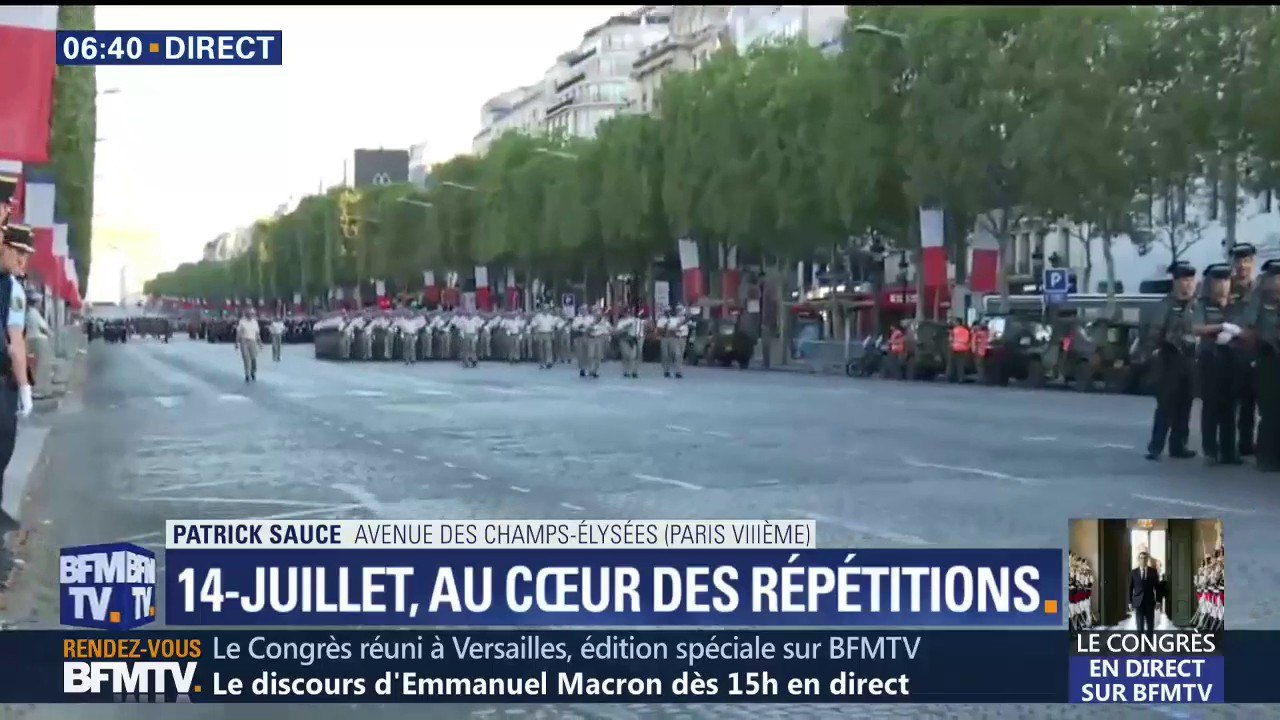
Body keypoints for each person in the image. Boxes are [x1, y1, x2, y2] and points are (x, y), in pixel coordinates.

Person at [1145, 262, 1199, 461]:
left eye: (1191, 280)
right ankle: (1155, 446)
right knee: (1166, 405)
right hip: (1170, 360)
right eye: (1184, 280)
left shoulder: (1196, 305)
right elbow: (1154, 333)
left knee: (1186, 404)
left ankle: (1179, 445)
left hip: (1191, 360)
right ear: (1175, 282)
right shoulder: (1166, 305)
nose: (1188, 285)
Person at [0, 224, 35, 531]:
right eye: (19, 253)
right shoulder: (13, 289)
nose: (23, 262)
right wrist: (24, 386)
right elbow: (16, 343)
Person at [1193, 264, 1243, 465]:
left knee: (1230, 407)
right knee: (1211, 405)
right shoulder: (1202, 305)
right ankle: (1210, 449)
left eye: (1225, 280)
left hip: (1232, 359)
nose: (1222, 285)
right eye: (1218, 281)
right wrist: (1219, 327)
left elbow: (1246, 327)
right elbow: (1196, 327)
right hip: (1210, 359)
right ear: (1210, 284)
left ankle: (1229, 451)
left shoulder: (1236, 305)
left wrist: (1236, 333)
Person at [1245, 258, 1280, 471]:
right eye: (1273, 277)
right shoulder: (1258, 299)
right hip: (1267, 358)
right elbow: (1248, 329)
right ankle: (1266, 458)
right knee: (1269, 409)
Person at [1228, 243, 1258, 457]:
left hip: (1259, 353)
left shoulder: (1261, 288)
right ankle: (1237, 445)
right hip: (1233, 354)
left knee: (1261, 402)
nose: (1242, 266)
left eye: (1246, 261)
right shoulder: (1224, 287)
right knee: (1237, 403)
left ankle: (1258, 444)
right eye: (1238, 261)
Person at [1129, 551, 1160, 636]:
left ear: (1147, 560)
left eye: (1145, 558)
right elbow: (1130, 588)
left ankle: (1149, 642)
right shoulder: (1133, 572)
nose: (1143, 560)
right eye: (1141, 558)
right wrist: (1130, 602)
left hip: (1149, 601)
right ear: (1138, 560)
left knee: (1150, 624)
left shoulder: (1153, 572)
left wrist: (1158, 601)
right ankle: (1140, 643)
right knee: (1139, 624)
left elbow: (1157, 587)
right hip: (1138, 601)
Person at [235, 309, 261, 382]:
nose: (250, 315)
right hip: (244, 341)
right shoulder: (242, 322)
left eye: (252, 314)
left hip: (252, 341)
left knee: (253, 358)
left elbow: (257, 333)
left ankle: (253, 372)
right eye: (249, 314)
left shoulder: (255, 322)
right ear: (246, 315)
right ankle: (247, 374)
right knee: (246, 358)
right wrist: (237, 342)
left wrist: (260, 342)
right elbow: (239, 332)